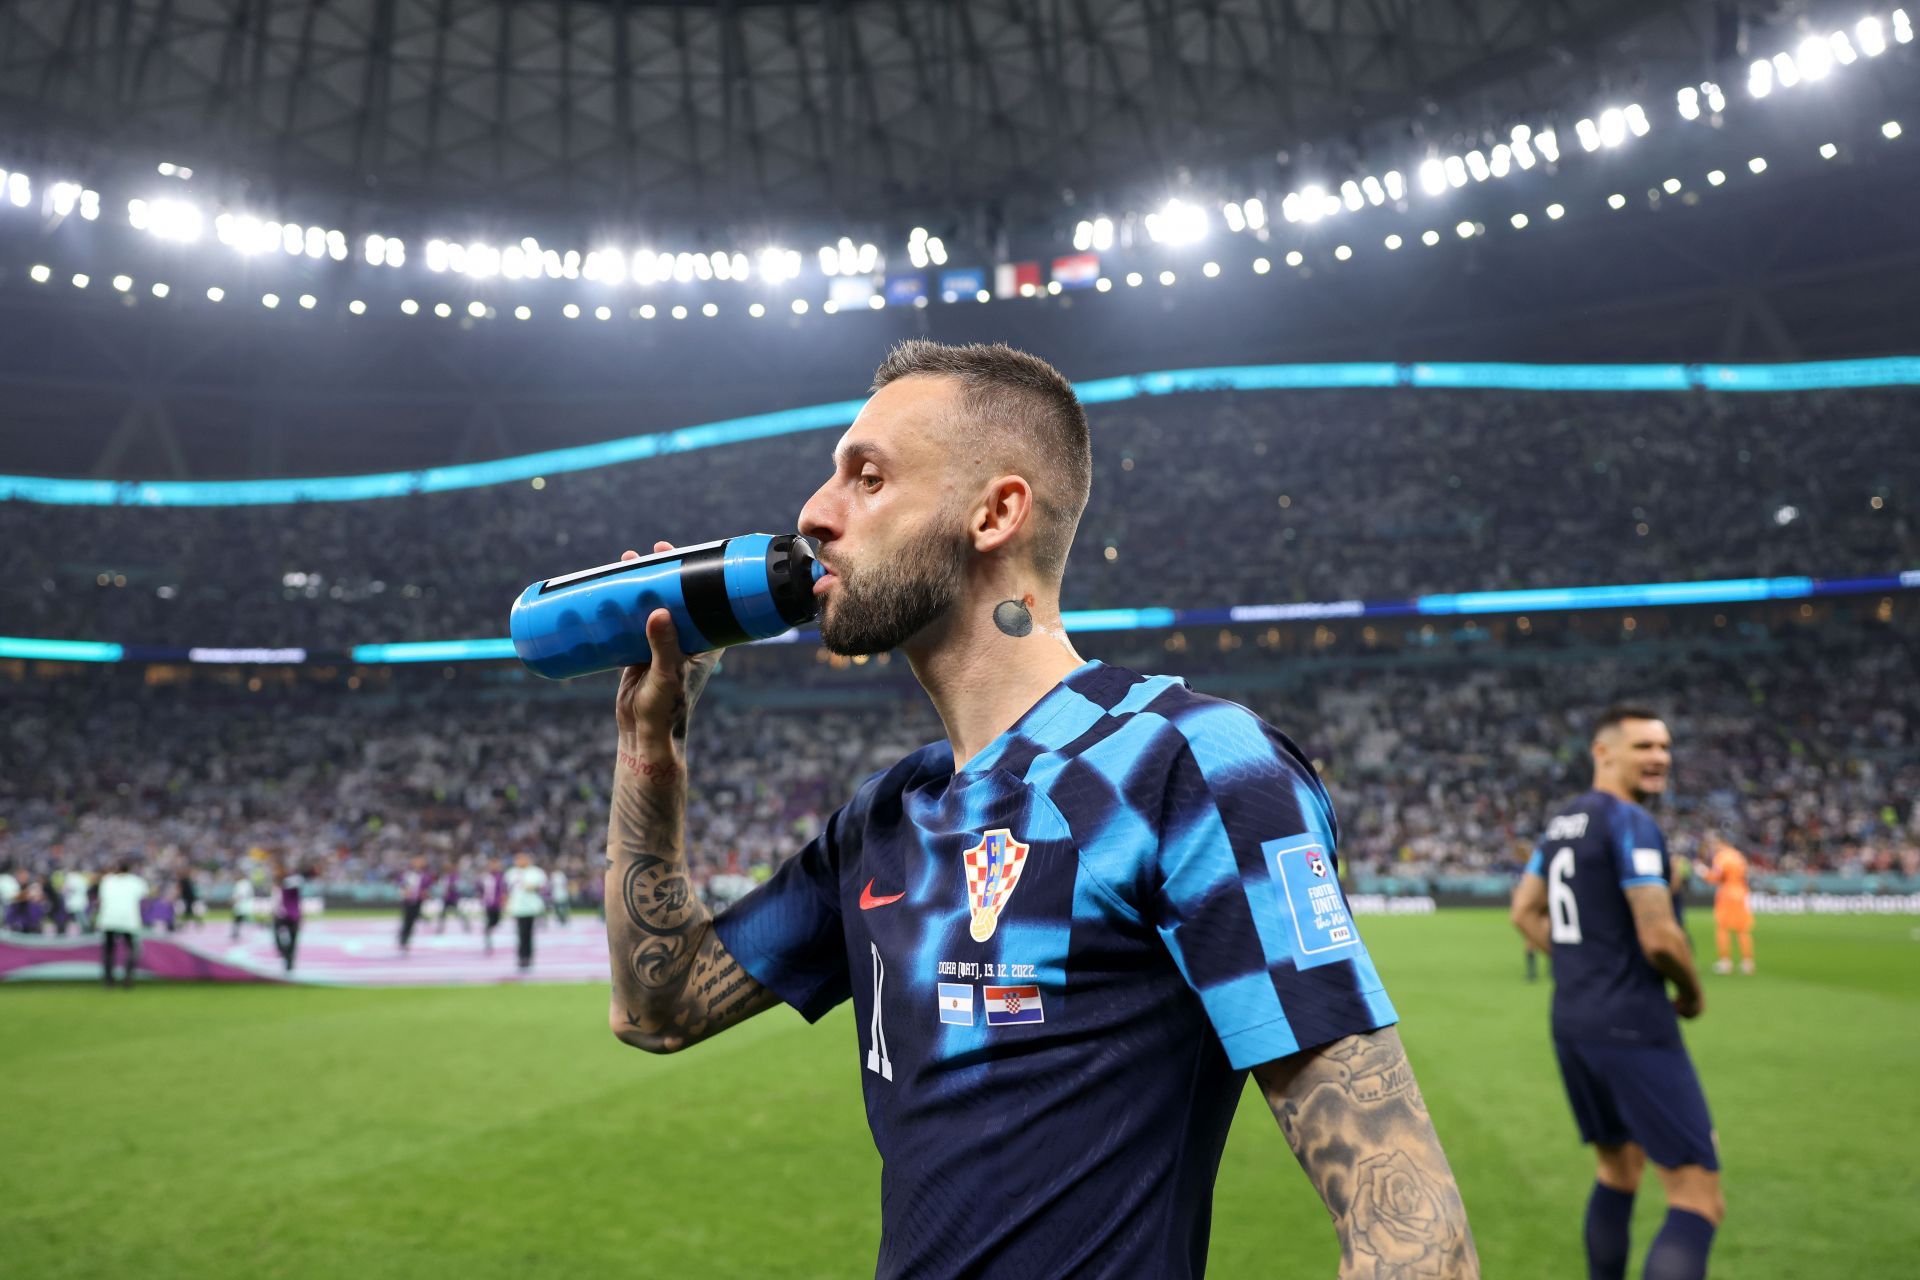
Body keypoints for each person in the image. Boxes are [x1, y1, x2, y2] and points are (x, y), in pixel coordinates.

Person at [601, 342, 1477, 1279]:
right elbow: (659, 1007)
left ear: (996, 512)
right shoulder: (889, 816)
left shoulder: (1183, 764)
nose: (815, 516)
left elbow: (1410, 1231)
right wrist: (653, 748)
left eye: (867, 477)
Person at [1510, 706, 1720, 1280]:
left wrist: (1584, 959)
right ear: (1603, 753)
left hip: (1574, 1020)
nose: (1659, 759)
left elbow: (1522, 911)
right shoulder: (1630, 821)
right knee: (1696, 1198)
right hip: (1633, 1022)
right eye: (1644, 747)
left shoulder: (1560, 825)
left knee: (1617, 1172)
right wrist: (1693, 991)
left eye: (1665, 748)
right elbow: (1659, 937)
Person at [1701, 834, 1755, 975]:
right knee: (1742, 929)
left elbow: (1716, 876)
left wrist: (1704, 873)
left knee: (1723, 928)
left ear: (1721, 843)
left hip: (1727, 894)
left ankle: (1725, 962)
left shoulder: (1722, 857)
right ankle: (1747, 962)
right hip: (1742, 892)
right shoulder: (1739, 856)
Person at [96, 859, 148, 989]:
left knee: (108, 950)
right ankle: (128, 979)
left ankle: (108, 981)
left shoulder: (107, 881)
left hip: (109, 918)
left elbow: (101, 898)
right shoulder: (136, 881)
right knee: (130, 948)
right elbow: (144, 895)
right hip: (128, 919)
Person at [505, 852, 549, 972]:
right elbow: (508, 890)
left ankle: (528, 957)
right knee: (521, 934)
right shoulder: (511, 873)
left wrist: (528, 885)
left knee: (528, 934)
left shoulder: (535, 872)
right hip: (518, 908)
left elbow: (538, 886)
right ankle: (522, 957)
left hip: (531, 908)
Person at [271, 860, 306, 973]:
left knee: (293, 939)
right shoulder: (278, 888)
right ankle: (285, 953)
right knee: (280, 935)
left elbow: (296, 888)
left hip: (292, 915)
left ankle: (289, 960)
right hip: (283, 915)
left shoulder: (292, 883)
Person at [397, 855, 431, 955]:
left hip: (417, 901)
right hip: (408, 901)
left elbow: (426, 889)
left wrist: (425, 895)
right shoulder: (408, 874)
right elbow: (401, 885)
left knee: (412, 921)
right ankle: (403, 939)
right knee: (407, 921)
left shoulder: (425, 876)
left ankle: (405, 939)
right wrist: (404, 892)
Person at [480, 858, 505, 956]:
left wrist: (504, 900)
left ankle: (488, 932)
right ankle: (488, 943)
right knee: (489, 922)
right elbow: (480, 889)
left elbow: (504, 889)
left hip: (497, 904)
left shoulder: (501, 877)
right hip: (489, 904)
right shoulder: (485, 877)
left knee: (497, 921)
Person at [436, 860, 469, 933]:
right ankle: (440, 928)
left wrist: (450, 888)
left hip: (453, 898)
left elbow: (457, 886)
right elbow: (442, 886)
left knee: (458, 913)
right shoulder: (445, 877)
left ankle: (466, 926)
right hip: (446, 898)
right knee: (443, 914)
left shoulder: (455, 877)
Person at [230, 869, 255, 940]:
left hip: (242, 905)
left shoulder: (241, 884)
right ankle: (236, 933)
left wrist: (234, 900)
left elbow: (240, 895)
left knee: (239, 919)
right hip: (245, 905)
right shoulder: (247, 883)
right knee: (240, 919)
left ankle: (236, 933)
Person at [548, 864, 571, 929]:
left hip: (562, 893)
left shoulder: (561, 875)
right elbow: (551, 885)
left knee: (564, 907)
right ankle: (559, 918)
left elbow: (565, 884)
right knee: (557, 907)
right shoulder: (553, 875)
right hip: (556, 894)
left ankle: (564, 918)